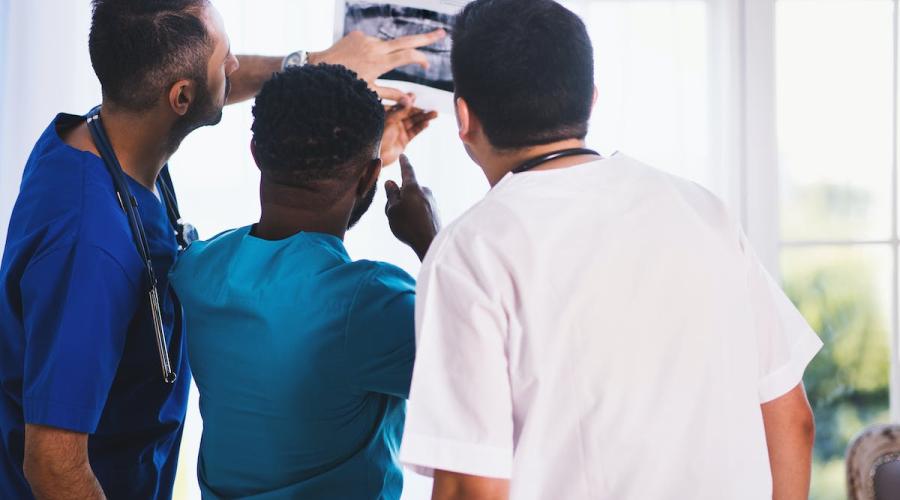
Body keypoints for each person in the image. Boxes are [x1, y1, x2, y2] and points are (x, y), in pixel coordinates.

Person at [0, 0, 443, 498]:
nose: (235, 66)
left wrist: (326, 109)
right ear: (181, 97)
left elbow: (295, 226)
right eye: (225, 57)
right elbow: (52, 465)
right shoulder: (89, 246)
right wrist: (434, 241)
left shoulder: (103, 144)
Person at [398, 1, 821, 499]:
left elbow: (473, 486)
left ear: (462, 117)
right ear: (591, 100)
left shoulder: (468, 250)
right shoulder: (703, 211)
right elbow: (792, 422)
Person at [168, 64, 439, 499]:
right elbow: (486, 365)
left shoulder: (197, 270)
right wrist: (432, 241)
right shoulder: (369, 304)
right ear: (372, 174)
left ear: (255, 152)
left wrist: (359, 164)